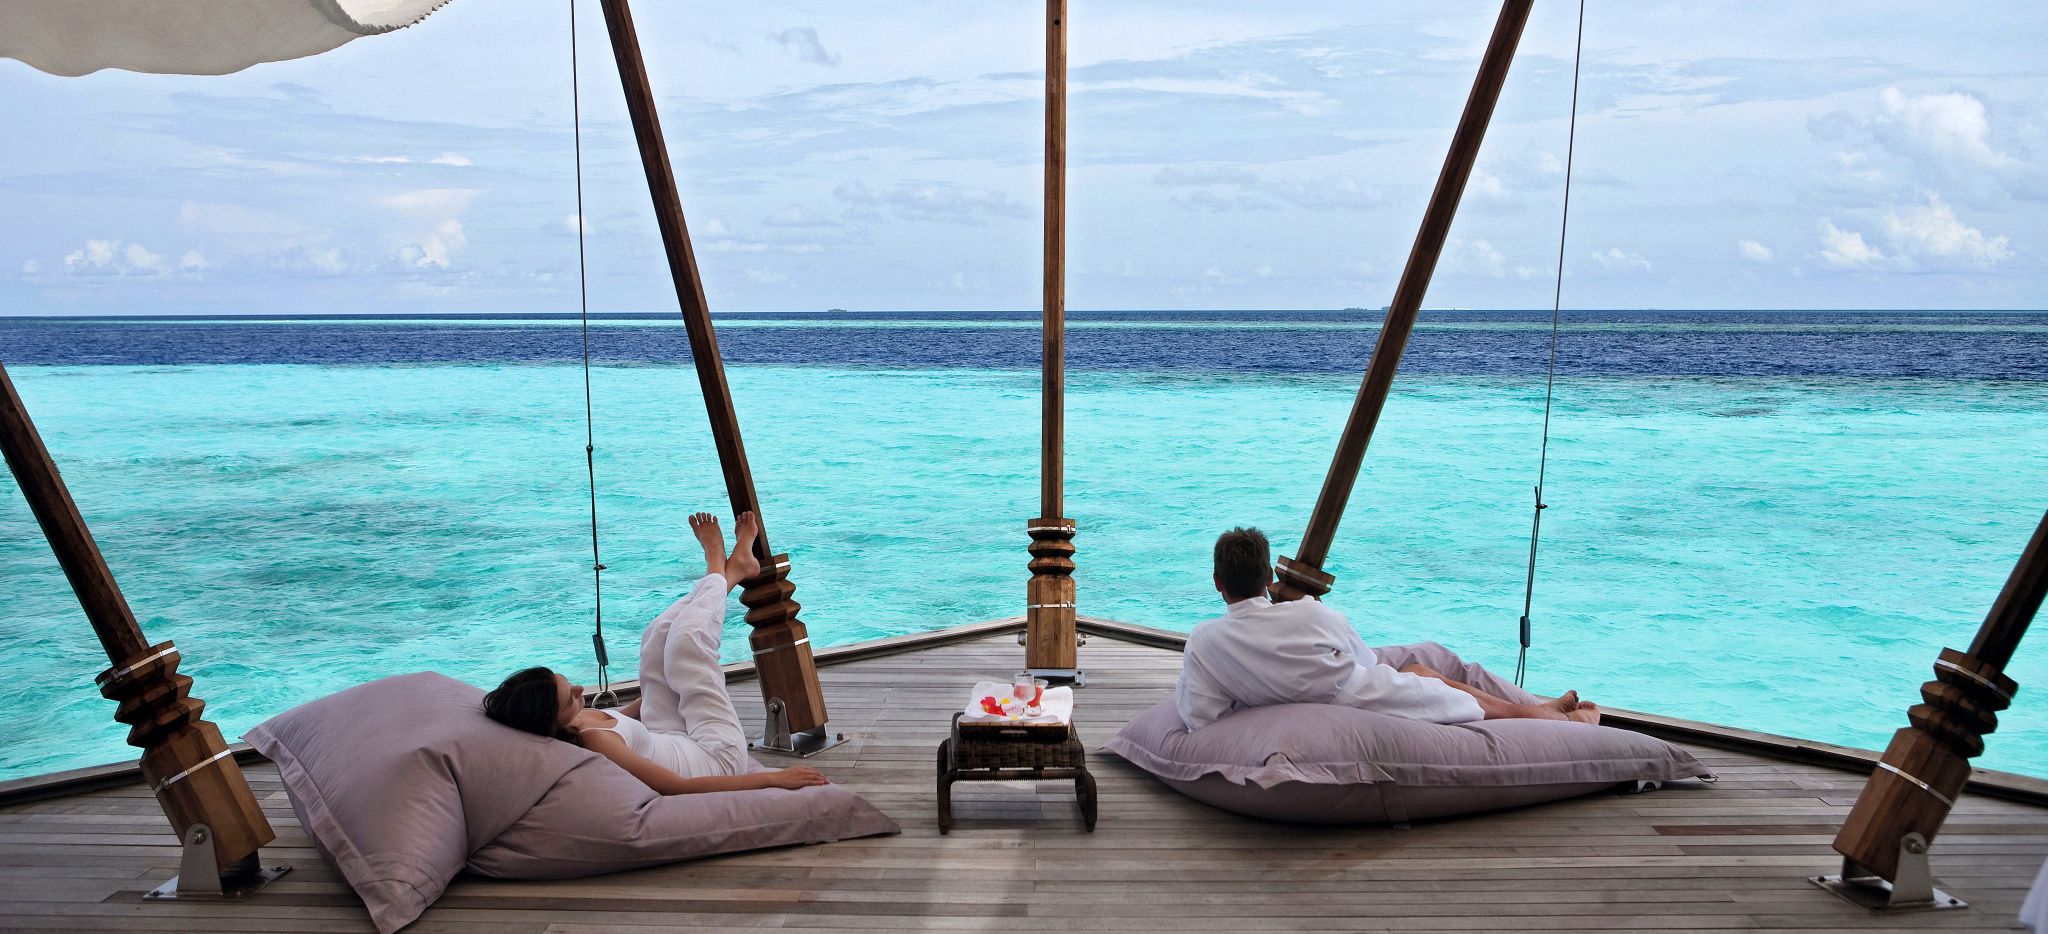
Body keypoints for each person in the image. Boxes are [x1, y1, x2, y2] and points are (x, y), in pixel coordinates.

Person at [483, 510, 828, 795]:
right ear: (551, 720)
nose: (579, 690)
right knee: (687, 644)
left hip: (665, 733)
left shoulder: (573, 720)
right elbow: (675, 787)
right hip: (714, 756)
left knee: (657, 636)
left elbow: (630, 716)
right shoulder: (593, 740)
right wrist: (772, 779)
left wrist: (659, 683)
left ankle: (731, 572)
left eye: (568, 683)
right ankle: (719, 565)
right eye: (570, 697)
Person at [1173, 526, 1600, 732]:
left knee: (1422, 669)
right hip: (1362, 697)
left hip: (1334, 696)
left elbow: (1201, 716)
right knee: (1441, 686)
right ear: (1269, 576)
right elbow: (1366, 662)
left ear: (1217, 582)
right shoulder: (1310, 614)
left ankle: (1541, 707)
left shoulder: (1205, 642)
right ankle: (1555, 719)